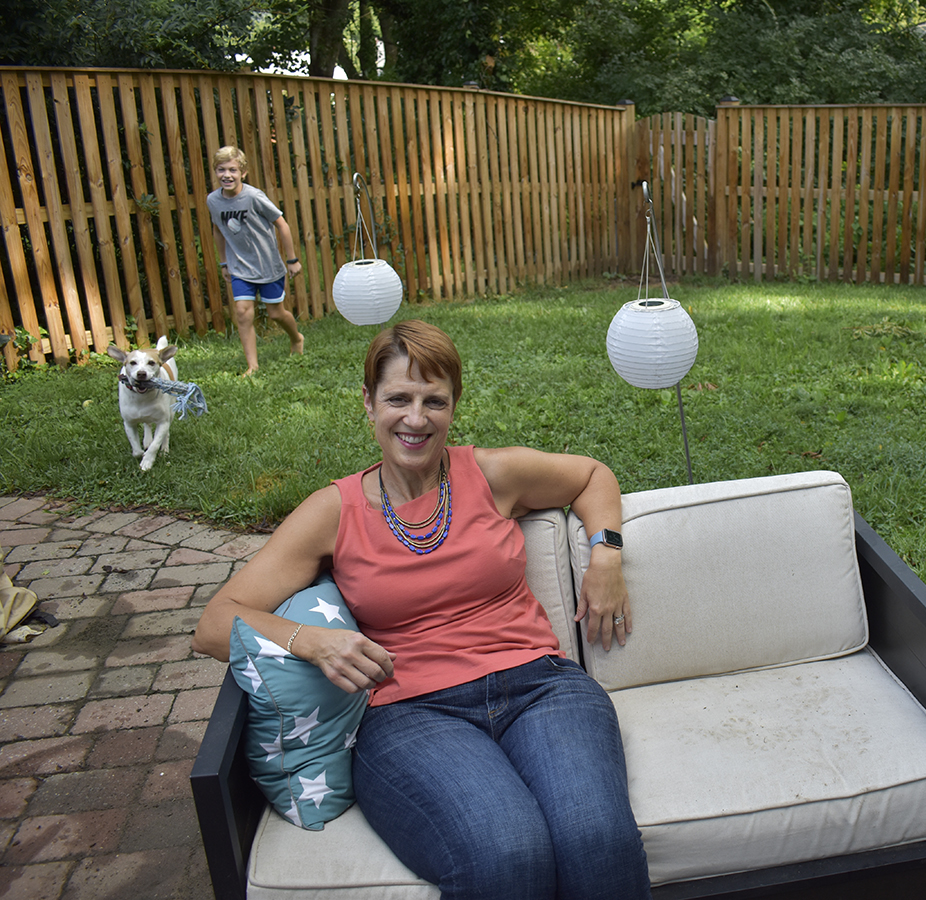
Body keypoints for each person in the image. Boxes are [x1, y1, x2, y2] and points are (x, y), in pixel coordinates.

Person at [192, 320, 650, 900]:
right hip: (412, 713)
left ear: (453, 406)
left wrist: (605, 559)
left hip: (541, 686)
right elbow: (214, 624)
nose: (416, 418)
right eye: (398, 399)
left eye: (434, 400)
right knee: (506, 851)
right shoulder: (335, 510)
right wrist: (310, 640)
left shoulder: (490, 474)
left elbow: (591, 475)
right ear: (368, 402)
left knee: (596, 840)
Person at [207, 146, 306, 375]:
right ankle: (252, 366)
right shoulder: (213, 201)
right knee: (243, 312)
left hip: (268, 266)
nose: (227, 175)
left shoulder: (253, 196)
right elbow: (218, 230)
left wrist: (292, 260)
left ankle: (296, 338)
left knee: (275, 313)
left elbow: (281, 224)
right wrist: (224, 263)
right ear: (215, 172)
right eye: (221, 170)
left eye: (232, 169)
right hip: (239, 267)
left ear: (243, 173)